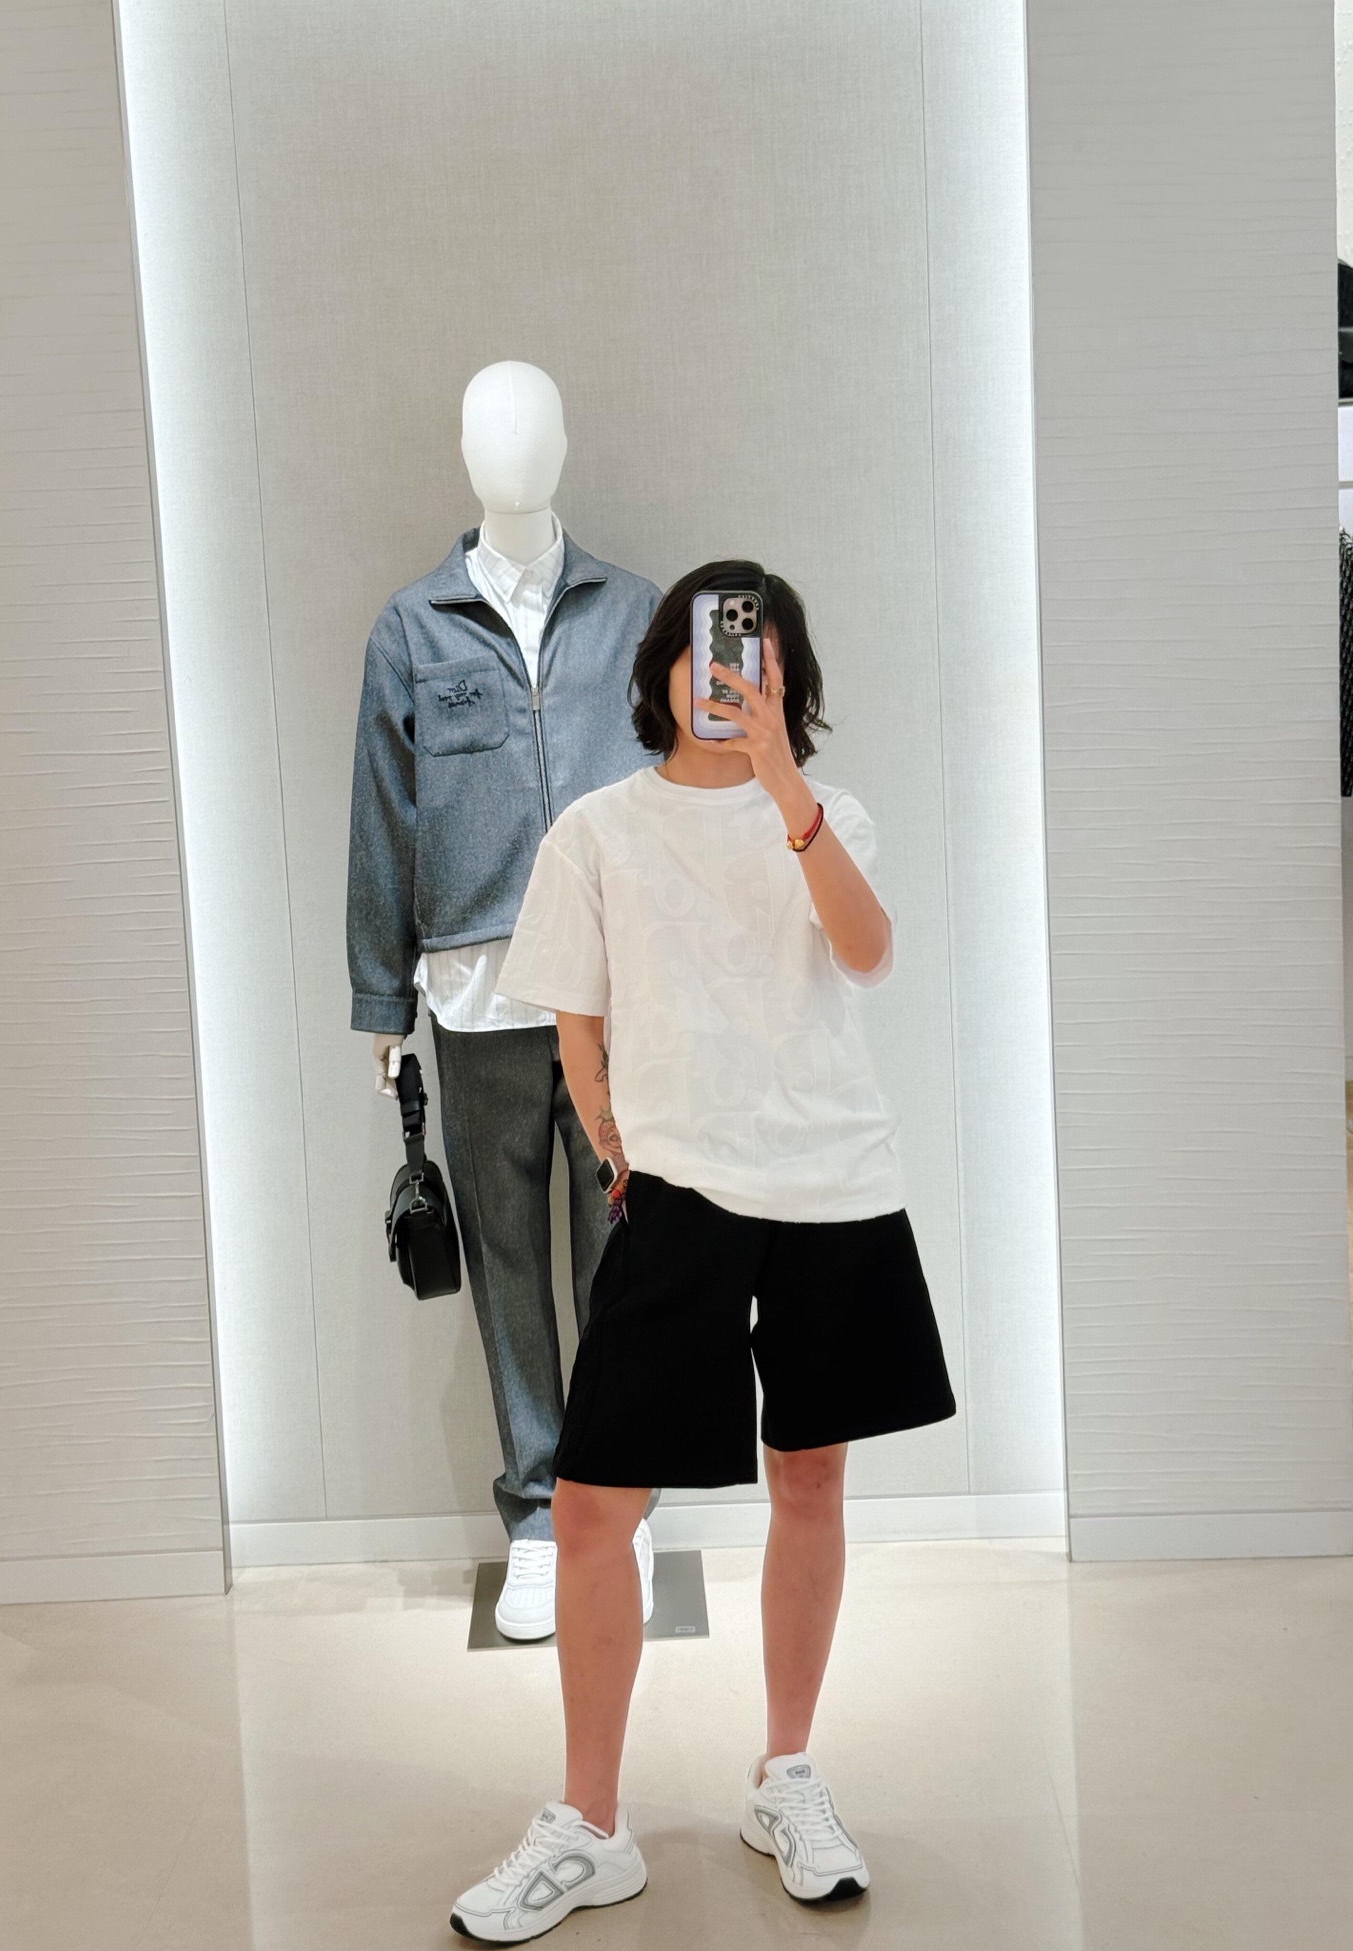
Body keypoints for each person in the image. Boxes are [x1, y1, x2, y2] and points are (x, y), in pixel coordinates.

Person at [448, 561, 956, 1944]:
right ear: (662, 666)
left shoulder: (829, 812)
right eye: (707, 647)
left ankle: (786, 1775)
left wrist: (785, 783)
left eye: (757, 653)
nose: (727, 673)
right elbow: (575, 1013)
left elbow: (869, 953)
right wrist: (615, 1138)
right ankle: (589, 1823)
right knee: (594, 1506)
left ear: (790, 678)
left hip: (832, 1183)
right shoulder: (598, 830)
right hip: (678, 1194)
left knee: (811, 1479)